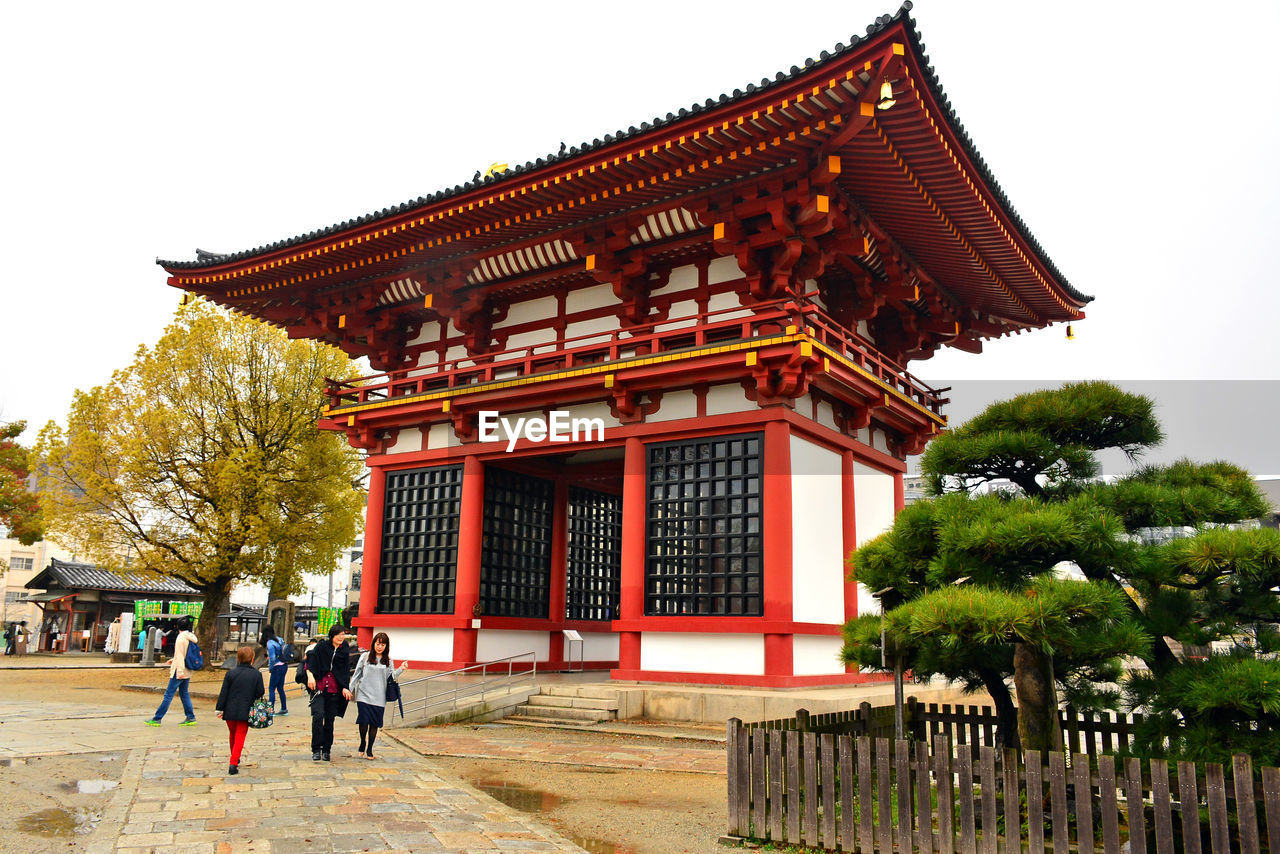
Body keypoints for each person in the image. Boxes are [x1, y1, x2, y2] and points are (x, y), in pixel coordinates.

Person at [348, 631, 407, 760]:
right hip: (363, 694)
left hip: (379, 697)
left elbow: (391, 677)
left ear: (386, 646)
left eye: (383, 644)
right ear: (373, 643)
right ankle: (363, 742)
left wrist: (401, 669)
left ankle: (370, 748)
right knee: (363, 721)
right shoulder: (365, 657)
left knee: (374, 724)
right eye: (378, 643)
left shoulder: (388, 661)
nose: (380, 647)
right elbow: (357, 674)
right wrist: (349, 689)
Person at [215, 644, 265, 775]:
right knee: (240, 735)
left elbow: (224, 692)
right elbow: (260, 692)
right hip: (246, 709)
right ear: (252, 659)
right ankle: (233, 762)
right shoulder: (256, 675)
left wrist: (219, 708)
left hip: (230, 709)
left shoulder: (231, 673)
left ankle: (235, 757)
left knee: (233, 734)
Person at [305, 624, 352, 762]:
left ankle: (326, 750)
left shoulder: (344, 650)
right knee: (318, 717)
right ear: (332, 635)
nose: (341, 637)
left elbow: (344, 670)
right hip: (319, 688)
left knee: (330, 721)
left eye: (343, 634)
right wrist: (310, 676)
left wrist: (345, 686)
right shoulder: (321, 646)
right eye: (339, 634)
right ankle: (316, 749)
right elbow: (309, 661)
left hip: (334, 690)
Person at [144, 616, 199, 727]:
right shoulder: (190, 637)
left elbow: (180, 655)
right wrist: (174, 660)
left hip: (179, 670)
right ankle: (190, 716)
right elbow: (184, 654)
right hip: (187, 668)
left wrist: (179, 670)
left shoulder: (180, 638)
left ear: (177, 626)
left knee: (168, 694)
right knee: (184, 693)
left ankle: (157, 718)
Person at [261, 625, 289, 716]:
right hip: (284, 665)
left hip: (277, 667)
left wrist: (270, 668)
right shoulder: (280, 639)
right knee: (280, 688)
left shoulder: (270, 643)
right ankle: (284, 708)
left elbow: (272, 658)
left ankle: (271, 710)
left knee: (271, 689)